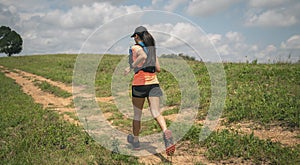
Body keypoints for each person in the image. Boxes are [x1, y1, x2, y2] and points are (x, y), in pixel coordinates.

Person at [124, 26, 175, 156]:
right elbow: (158, 69)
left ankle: (135, 142)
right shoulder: (152, 50)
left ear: (136, 36)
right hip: (154, 83)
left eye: (134, 37)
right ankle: (165, 131)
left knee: (137, 115)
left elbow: (142, 56)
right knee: (156, 112)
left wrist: (131, 67)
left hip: (139, 85)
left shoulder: (136, 47)